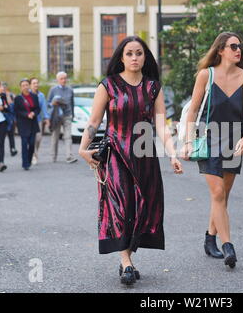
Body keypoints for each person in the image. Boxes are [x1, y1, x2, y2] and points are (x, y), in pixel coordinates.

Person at [78, 36, 183, 285]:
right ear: (121, 58)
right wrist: (83, 150)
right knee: (121, 205)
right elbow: (94, 122)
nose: (134, 58)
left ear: (145, 57)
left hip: (145, 154)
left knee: (141, 207)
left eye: (139, 53)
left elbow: (160, 123)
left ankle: (128, 257)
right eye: (129, 53)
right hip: (116, 154)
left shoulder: (152, 87)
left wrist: (172, 153)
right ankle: (126, 263)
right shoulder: (109, 85)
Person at [180, 32, 243, 269]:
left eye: (240, 46)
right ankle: (228, 246)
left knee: (224, 195)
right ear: (220, 50)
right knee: (218, 193)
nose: (238, 50)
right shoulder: (206, 75)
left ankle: (210, 237)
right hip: (210, 136)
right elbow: (192, 111)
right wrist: (189, 141)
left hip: (234, 139)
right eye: (233, 46)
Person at [47, 71, 77, 163]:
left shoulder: (70, 90)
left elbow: (72, 103)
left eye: (65, 78)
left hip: (67, 115)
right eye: (61, 78)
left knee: (68, 136)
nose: (64, 80)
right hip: (56, 117)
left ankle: (69, 156)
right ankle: (53, 157)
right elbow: (48, 103)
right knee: (55, 137)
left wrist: (72, 114)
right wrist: (53, 103)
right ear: (57, 80)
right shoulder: (53, 90)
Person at [14, 79, 41, 170]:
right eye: (23, 85)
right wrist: (26, 114)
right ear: (21, 87)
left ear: (29, 86)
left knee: (32, 143)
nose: (25, 87)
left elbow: (38, 109)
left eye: (26, 85)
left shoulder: (34, 96)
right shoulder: (18, 98)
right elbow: (17, 111)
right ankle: (25, 163)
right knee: (24, 144)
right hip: (23, 124)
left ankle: (29, 160)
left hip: (33, 123)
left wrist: (33, 113)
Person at [30, 77, 50, 165]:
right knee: (32, 139)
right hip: (29, 120)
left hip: (38, 120)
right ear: (30, 85)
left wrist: (46, 118)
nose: (36, 85)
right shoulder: (27, 95)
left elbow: (44, 107)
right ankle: (34, 155)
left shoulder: (41, 95)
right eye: (34, 83)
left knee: (38, 138)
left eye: (37, 83)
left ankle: (34, 152)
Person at [0, 83, 18, 157]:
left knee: (11, 135)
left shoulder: (11, 95)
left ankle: (12, 148)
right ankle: (0, 149)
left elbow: (12, 105)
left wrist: (7, 95)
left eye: (5, 88)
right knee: (2, 135)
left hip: (10, 117)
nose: (3, 89)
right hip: (2, 118)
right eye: (2, 88)